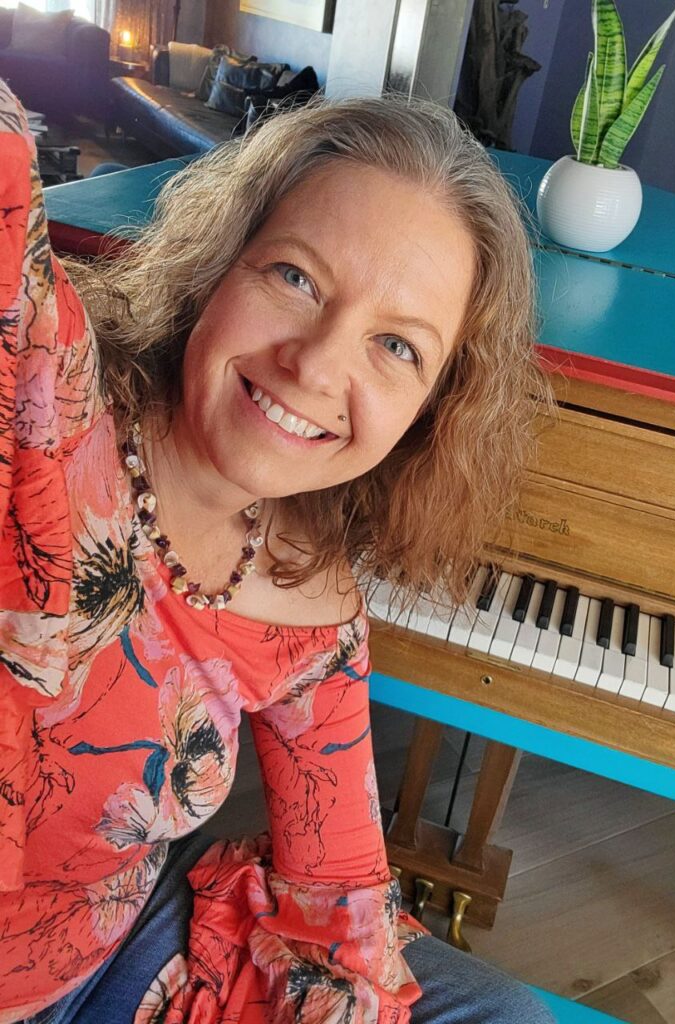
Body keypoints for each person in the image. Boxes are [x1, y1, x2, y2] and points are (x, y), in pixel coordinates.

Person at [0, 79, 554, 1024]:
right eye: (295, 277)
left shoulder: (314, 601)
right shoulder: (47, 412)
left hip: (113, 950)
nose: (317, 363)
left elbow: (339, 889)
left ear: (430, 415)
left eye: (397, 347)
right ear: (223, 261)